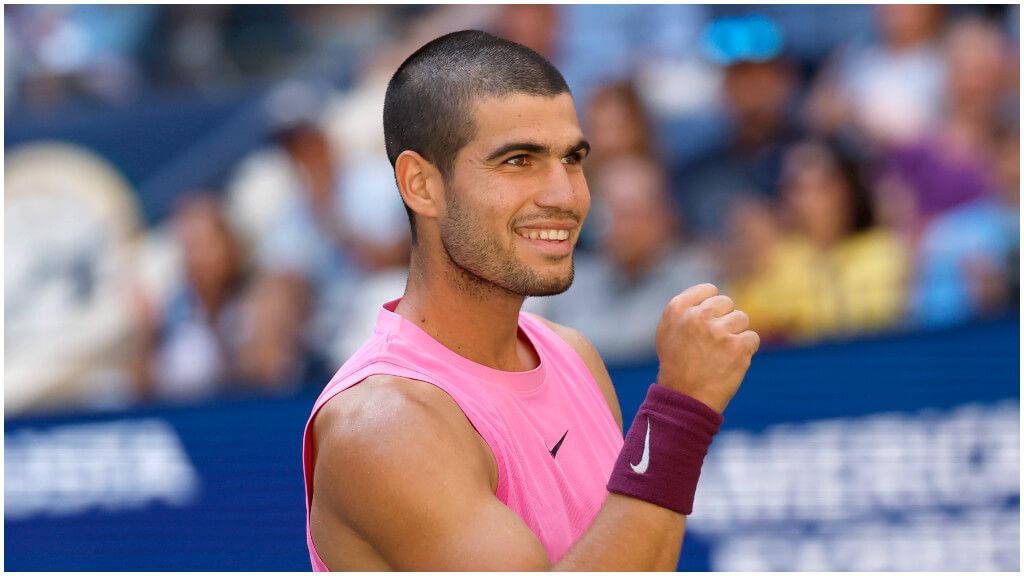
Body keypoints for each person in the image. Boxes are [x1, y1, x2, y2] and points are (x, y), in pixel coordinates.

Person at [302, 30, 759, 571]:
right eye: (519, 161)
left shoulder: (573, 355)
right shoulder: (385, 422)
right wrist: (682, 411)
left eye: (572, 159)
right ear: (421, 185)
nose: (565, 195)